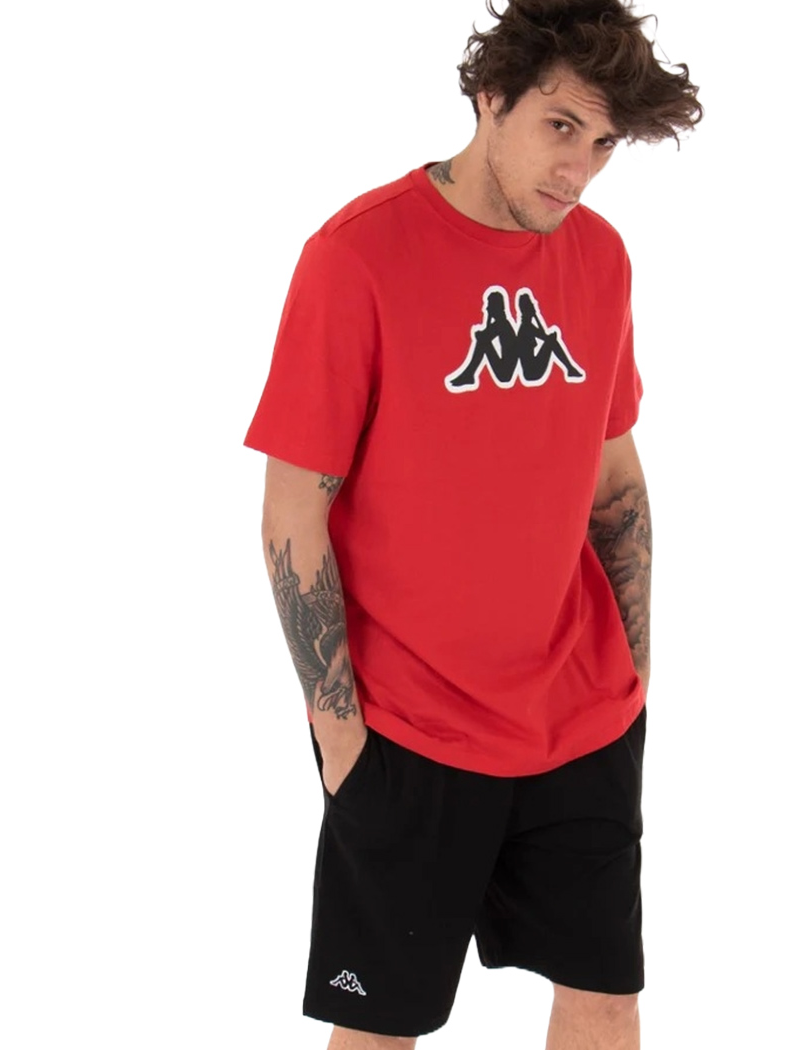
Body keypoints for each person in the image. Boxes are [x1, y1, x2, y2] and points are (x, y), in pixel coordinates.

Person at [243, 1, 701, 1045]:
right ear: (491, 97)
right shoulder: (358, 256)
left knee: (606, 996)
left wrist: (633, 673)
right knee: (383, 1024)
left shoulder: (601, 259)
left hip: (582, 712)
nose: (579, 169)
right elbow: (292, 508)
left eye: (604, 144)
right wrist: (339, 734)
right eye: (560, 126)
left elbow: (615, 477)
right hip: (410, 725)